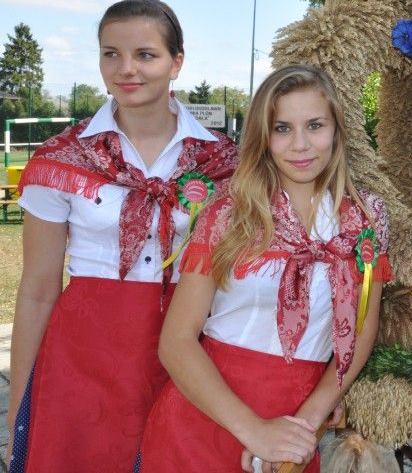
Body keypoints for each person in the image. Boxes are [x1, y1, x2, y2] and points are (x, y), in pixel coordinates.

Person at [7, 0, 238, 472]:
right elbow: (36, 292)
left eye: (145, 55)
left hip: (191, 346)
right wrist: (21, 407)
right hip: (84, 355)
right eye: (111, 53)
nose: (126, 69)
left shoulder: (228, 162)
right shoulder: (60, 160)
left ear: (177, 63)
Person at [138, 64, 391, 472]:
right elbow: (176, 342)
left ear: (337, 131)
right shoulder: (229, 212)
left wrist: (306, 424)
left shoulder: (365, 219)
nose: (301, 145)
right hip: (204, 418)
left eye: (314, 125)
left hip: (296, 428)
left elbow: (362, 330)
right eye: (282, 129)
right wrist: (255, 432)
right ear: (263, 137)